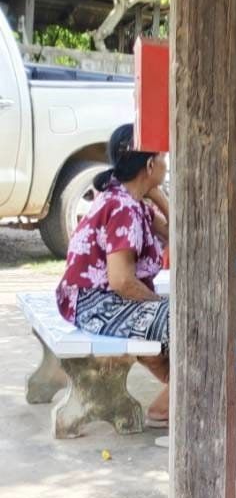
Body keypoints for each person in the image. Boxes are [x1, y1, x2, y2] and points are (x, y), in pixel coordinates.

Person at [55, 123, 172, 425]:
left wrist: (156, 194)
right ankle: (174, 399)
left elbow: (178, 234)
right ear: (150, 164)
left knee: (180, 311)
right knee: (189, 318)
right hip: (98, 306)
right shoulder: (123, 207)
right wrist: (158, 302)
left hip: (95, 302)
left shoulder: (129, 199)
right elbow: (121, 282)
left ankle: (181, 387)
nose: (166, 163)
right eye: (162, 157)